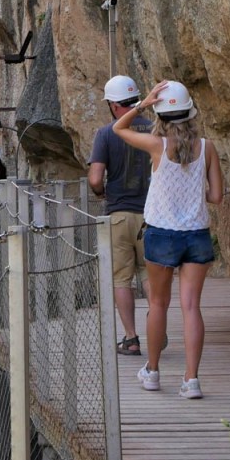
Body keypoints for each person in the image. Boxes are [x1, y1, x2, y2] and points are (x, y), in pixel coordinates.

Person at [112, 80, 223, 400]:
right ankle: (191, 380)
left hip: (161, 233)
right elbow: (216, 196)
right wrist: (192, 193)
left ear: (161, 114)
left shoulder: (156, 144)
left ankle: (153, 370)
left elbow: (119, 128)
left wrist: (142, 104)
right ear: (190, 113)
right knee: (191, 307)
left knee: (158, 304)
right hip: (197, 235)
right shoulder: (208, 147)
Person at [88, 75, 152, 356]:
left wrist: (102, 193)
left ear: (114, 105)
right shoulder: (155, 130)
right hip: (152, 215)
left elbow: (94, 179)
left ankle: (131, 338)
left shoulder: (105, 134)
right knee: (150, 275)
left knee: (121, 278)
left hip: (118, 215)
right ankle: (157, 329)